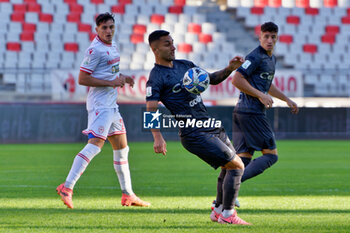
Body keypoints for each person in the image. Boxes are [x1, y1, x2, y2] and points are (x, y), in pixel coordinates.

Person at [146, 30, 250, 225]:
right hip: (193, 132)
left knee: (229, 166)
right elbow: (151, 108)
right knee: (237, 166)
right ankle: (228, 215)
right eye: (167, 44)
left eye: (173, 42)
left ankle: (219, 210)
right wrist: (157, 137)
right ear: (155, 49)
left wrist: (229, 68)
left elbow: (212, 78)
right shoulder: (156, 77)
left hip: (209, 125)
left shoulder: (185, 65)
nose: (173, 47)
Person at [56, 12, 150, 209]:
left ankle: (128, 195)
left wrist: (123, 77)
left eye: (111, 27)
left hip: (111, 106)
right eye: (104, 28)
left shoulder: (112, 46)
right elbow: (82, 79)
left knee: (122, 149)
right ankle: (67, 186)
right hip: (100, 105)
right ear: (97, 29)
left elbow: (111, 73)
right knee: (95, 146)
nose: (108, 31)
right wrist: (111, 82)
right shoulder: (94, 50)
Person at [231, 22, 299, 186]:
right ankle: (232, 184)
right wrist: (261, 95)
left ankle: (222, 203)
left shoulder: (271, 58)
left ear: (277, 38)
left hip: (242, 112)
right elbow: (236, 79)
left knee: (243, 160)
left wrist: (286, 99)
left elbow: (267, 84)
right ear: (259, 36)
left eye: (273, 37)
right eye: (266, 36)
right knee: (271, 155)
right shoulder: (255, 56)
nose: (269, 40)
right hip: (251, 112)